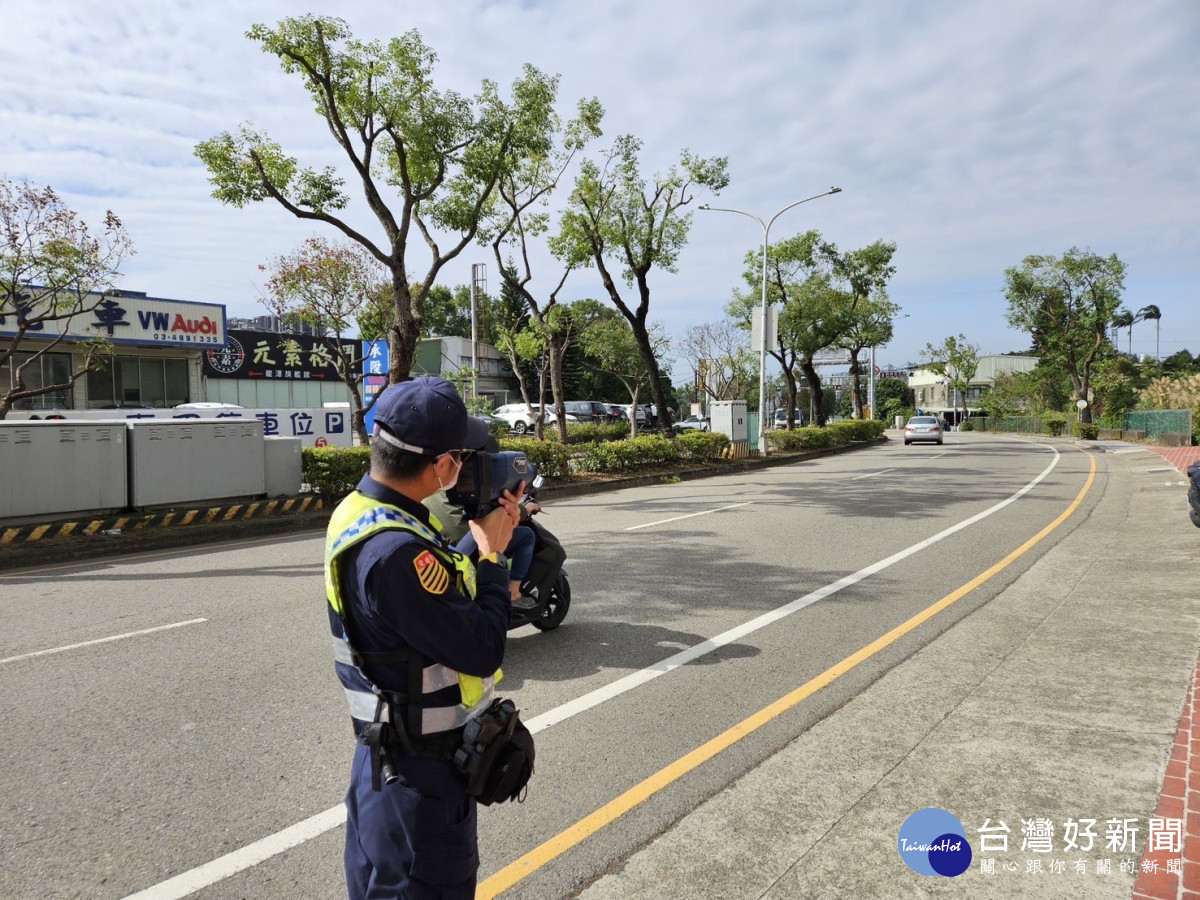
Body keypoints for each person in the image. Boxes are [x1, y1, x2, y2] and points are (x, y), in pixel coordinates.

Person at [323, 376, 522, 899]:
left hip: (384, 764)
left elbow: (430, 590)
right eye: (459, 453)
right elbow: (482, 647)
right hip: (419, 778)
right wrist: (495, 557)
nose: (463, 463)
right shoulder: (396, 554)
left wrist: (479, 539)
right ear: (440, 465)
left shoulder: (364, 513)